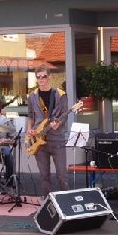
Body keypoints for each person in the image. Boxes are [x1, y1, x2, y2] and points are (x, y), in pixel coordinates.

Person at [27, 64, 69, 199]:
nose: (41, 79)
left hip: (57, 139)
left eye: (44, 76)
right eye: (38, 77)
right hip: (38, 139)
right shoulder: (32, 96)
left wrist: (59, 124)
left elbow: (64, 115)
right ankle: (47, 201)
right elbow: (30, 115)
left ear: (49, 76)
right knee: (44, 175)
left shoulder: (60, 94)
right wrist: (29, 129)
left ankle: (65, 201)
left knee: (62, 175)